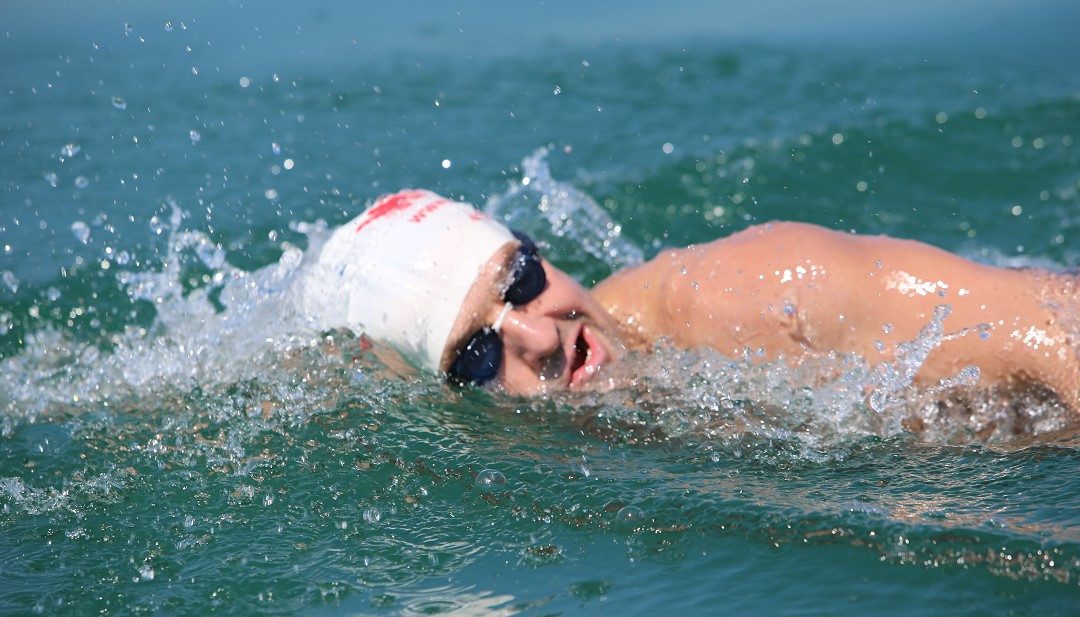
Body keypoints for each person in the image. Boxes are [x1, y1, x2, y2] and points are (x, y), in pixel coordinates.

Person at [299, 189, 1080, 412]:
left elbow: (1054, 327)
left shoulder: (752, 293)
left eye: (523, 280)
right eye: (476, 355)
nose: (541, 334)